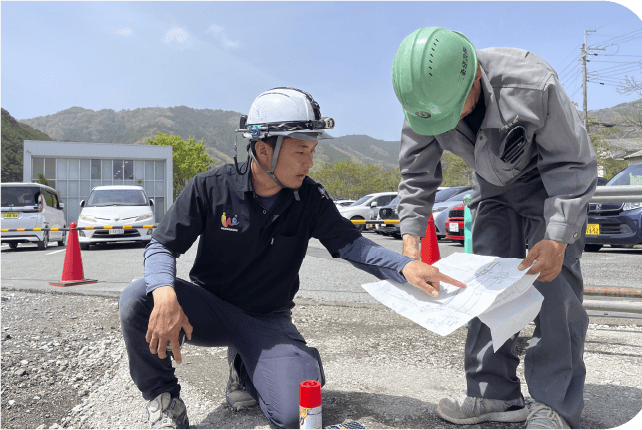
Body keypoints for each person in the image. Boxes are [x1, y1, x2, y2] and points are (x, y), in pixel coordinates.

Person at [119, 87, 465, 430]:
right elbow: (162, 246)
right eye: (301, 151)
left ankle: (246, 367)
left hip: (267, 320)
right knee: (139, 296)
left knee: (296, 414)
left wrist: (405, 265)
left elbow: (353, 245)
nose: (310, 162)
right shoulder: (210, 187)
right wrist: (164, 291)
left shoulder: (310, 198)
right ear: (264, 149)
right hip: (210, 310)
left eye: (313, 150)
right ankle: (165, 401)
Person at [391, 28, 597, 430]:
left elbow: (572, 165)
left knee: (554, 287)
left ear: (474, 78)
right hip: (492, 188)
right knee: (485, 285)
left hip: (550, 186)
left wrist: (556, 236)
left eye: (458, 108)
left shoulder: (532, 83)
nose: (453, 121)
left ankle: (555, 404)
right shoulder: (424, 100)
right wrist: (411, 241)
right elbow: (416, 175)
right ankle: (494, 395)